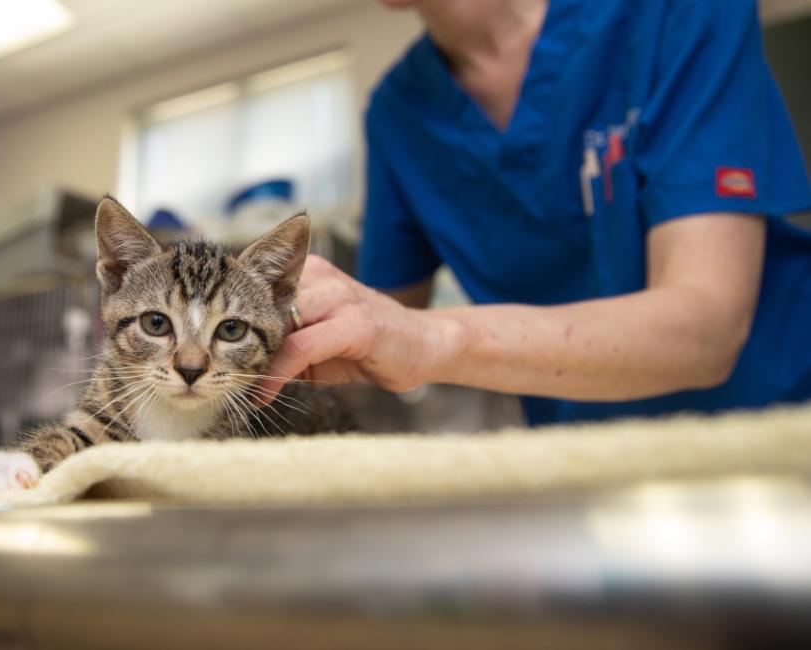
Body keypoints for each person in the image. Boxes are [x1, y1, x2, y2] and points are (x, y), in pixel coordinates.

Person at [259, 0, 811, 425]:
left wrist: (431, 339)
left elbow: (706, 331)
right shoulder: (399, 113)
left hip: (773, 423)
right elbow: (361, 343)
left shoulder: (671, 16)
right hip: (588, 458)